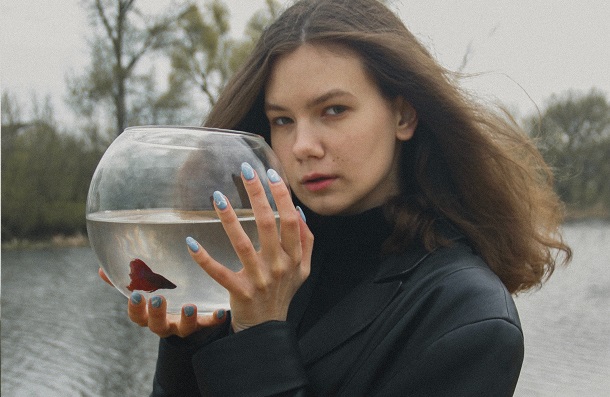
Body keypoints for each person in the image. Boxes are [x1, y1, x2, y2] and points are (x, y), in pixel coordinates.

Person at [99, 0, 572, 395]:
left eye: (333, 110)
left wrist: (258, 334)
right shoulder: (255, 266)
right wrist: (191, 341)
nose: (303, 145)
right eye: (282, 120)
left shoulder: (468, 318)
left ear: (404, 115)